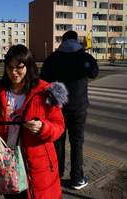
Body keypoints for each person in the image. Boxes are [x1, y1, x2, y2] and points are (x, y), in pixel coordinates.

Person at [0, 44, 68, 199]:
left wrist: (42, 127)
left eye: (19, 67)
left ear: (29, 66)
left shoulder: (45, 91)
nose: (14, 72)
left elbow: (59, 126)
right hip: (7, 160)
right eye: (9, 67)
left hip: (37, 162)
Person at [40, 30, 99, 190]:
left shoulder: (53, 58)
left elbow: (43, 81)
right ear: (76, 40)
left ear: (63, 41)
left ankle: (56, 175)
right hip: (79, 107)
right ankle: (77, 178)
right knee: (77, 142)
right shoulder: (85, 57)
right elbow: (94, 73)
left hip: (57, 107)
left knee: (58, 141)